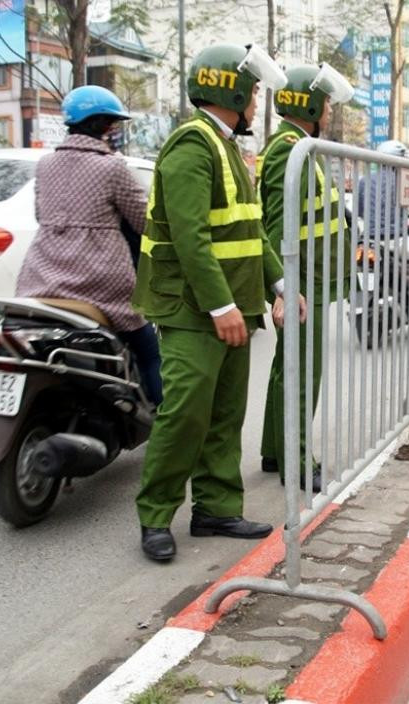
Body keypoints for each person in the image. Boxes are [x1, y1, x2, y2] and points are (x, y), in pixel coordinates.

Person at [132, 42, 292, 562]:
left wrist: (279, 284)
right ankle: (156, 515)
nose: (257, 101)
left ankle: (216, 507)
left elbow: (250, 231)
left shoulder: (226, 148)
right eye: (254, 92)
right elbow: (189, 237)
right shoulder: (192, 146)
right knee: (185, 413)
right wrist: (221, 307)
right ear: (233, 89)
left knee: (224, 413)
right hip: (193, 309)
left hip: (234, 303)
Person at [15, 85, 162, 406]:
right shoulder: (112, 167)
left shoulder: (45, 165)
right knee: (148, 346)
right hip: (99, 284)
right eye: (111, 125)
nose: (113, 132)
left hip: (40, 278)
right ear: (100, 125)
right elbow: (145, 223)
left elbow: (42, 215)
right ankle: (164, 415)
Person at [257, 62, 354, 491]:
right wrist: (283, 286)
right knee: (301, 371)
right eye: (327, 103)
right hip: (302, 283)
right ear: (310, 103)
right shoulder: (286, 150)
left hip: (308, 279)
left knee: (287, 366)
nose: (330, 111)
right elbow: (278, 224)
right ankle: (296, 460)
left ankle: (273, 449)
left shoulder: (299, 146)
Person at [357, 139, 406, 241]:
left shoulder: (365, 180)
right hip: (397, 235)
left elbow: (360, 211)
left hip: (371, 235)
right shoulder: (403, 181)